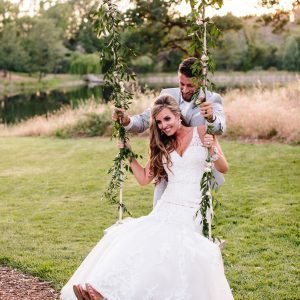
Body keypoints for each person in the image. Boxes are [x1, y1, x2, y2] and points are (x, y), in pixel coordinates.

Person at [60, 95, 233, 300]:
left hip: (195, 207)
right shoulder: (163, 146)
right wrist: (127, 153)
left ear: (178, 116)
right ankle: (102, 291)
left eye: (167, 119)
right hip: (167, 205)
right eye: (159, 122)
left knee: (163, 241)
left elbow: (224, 167)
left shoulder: (203, 131)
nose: (163, 126)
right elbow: (144, 178)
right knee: (133, 236)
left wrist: (212, 147)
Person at [112, 57, 226, 206]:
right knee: (161, 212)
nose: (184, 90)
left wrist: (211, 117)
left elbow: (219, 128)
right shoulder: (167, 95)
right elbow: (146, 120)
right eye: (181, 84)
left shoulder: (212, 100)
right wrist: (127, 121)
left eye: (190, 85)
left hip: (196, 173)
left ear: (202, 81)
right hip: (168, 167)